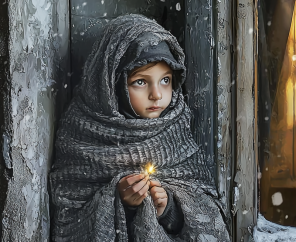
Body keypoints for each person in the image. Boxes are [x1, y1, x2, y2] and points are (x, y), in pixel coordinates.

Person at [49, 14, 230, 241]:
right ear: (111, 85)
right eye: (141, 82)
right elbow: (69, 220)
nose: (157, 94)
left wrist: (168, 210)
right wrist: (119, 203)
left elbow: (208, 213)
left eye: (165, 80)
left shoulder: (177, 130)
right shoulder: (80, 135)